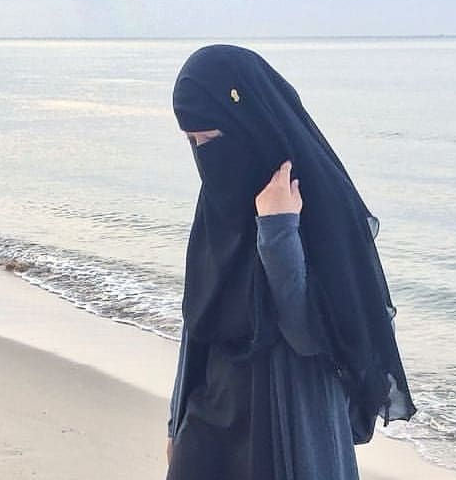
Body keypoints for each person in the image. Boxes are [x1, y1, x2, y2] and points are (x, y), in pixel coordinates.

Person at [166, 44, 416, 480]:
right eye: (192, 142)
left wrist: (278, 228)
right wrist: (176, 422)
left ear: (246, 126)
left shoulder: (322, 207)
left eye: (210, 138)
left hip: (289, 418)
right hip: (210, 421)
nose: (203, 153)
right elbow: (198, 322)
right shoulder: (219, 204)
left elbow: (308, 333)